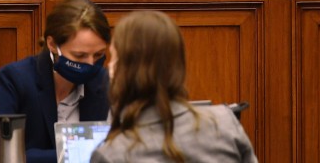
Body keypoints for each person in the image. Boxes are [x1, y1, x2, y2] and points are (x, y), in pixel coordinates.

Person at [91, 10, 256, 163]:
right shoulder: (225, 123)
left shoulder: (112, 155)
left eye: (113, 59)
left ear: (123, 71)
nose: (109, 67)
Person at [0, 0, 111, 163]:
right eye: (79, 55)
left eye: (98, 55)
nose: (90, 64)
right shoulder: (16, 79)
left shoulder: (105, 83)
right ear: (52, 44)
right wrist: (73, 156)